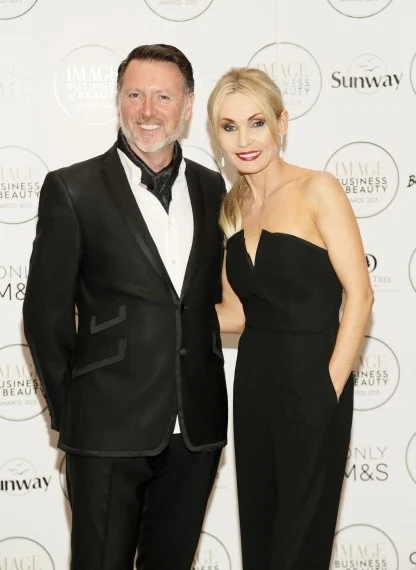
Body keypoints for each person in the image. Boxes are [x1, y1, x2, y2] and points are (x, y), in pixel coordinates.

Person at [23, 44, 228, 570]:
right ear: (118, 100)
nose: (147, 110)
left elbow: (202, 301)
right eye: (135, 95)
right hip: (104, 431)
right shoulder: (72, 188)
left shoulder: (211, 187)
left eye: (163, 97)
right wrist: (76, 415)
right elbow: (45, 317)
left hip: (195, 430)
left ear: (187, 105)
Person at [208, 67, 374, 570]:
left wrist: (329, 388)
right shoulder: (232, 208)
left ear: (281, 123)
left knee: (299, 544)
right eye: (230, 126)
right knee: (260, 536)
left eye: (256, 123)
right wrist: (156, 313)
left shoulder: (318, 189)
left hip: (312, 380)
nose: (244, 140)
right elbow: (236, 313)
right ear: (216, 135)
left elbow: (361, 295)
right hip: (253, 387)